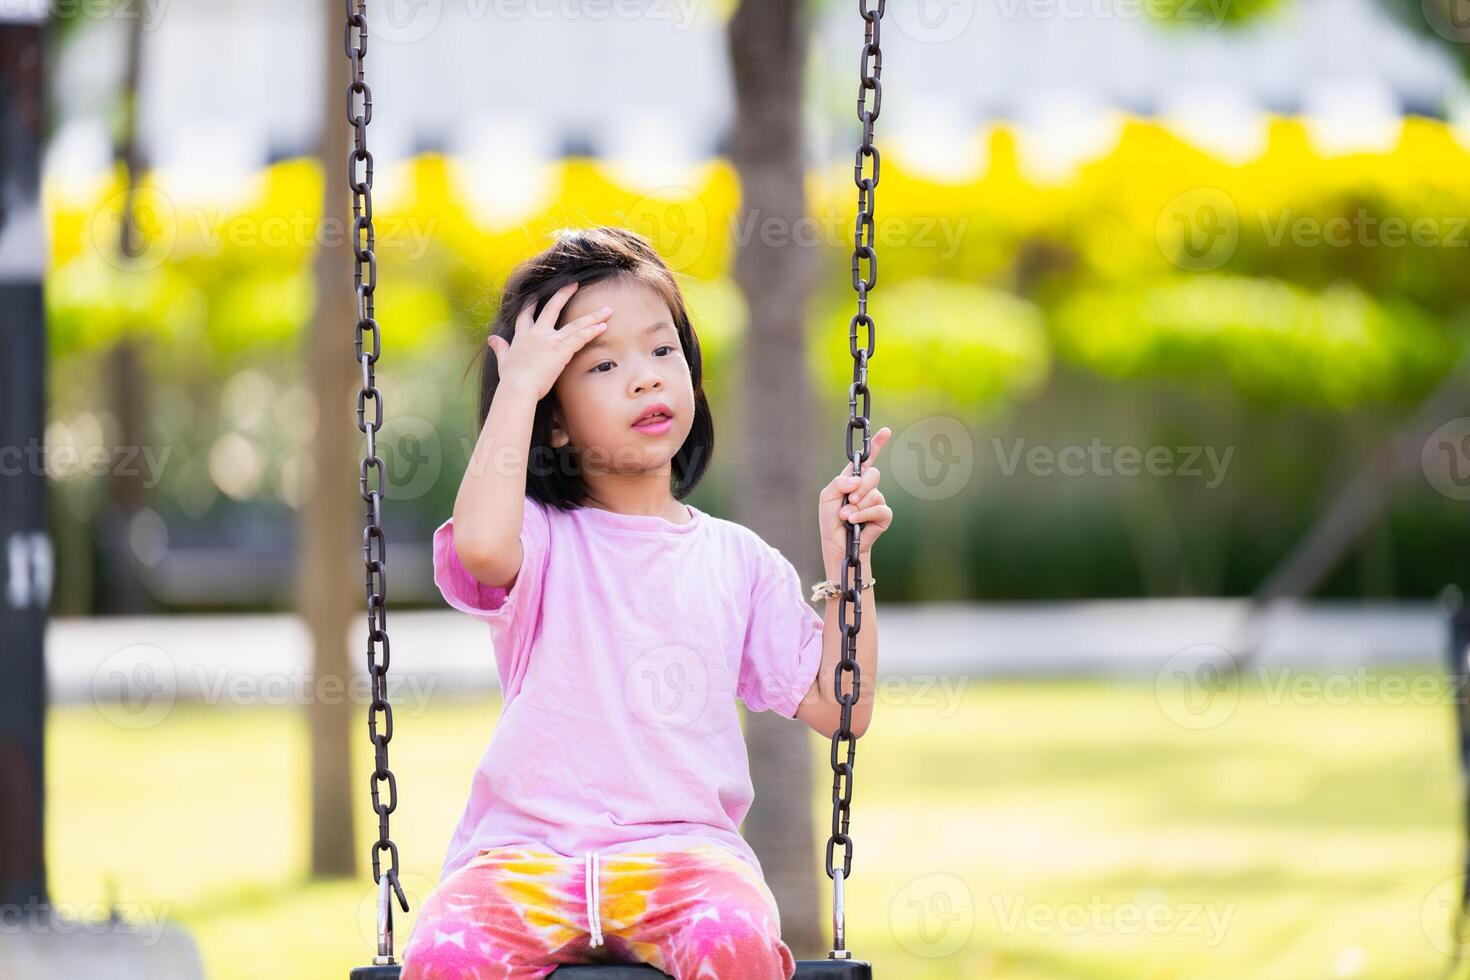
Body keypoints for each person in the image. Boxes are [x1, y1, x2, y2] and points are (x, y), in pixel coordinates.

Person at [400, 226, 892, 979]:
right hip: (524, 858)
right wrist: (521, 389)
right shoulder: (538, 540)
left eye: (663, 352)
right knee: (442, 954)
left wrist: (849, 565)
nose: (644, 379)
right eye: (601, 364)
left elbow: (840, 706)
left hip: (684, 863)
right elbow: (480, 547)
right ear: (554, 422)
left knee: (737, 942)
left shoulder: (738, 562)